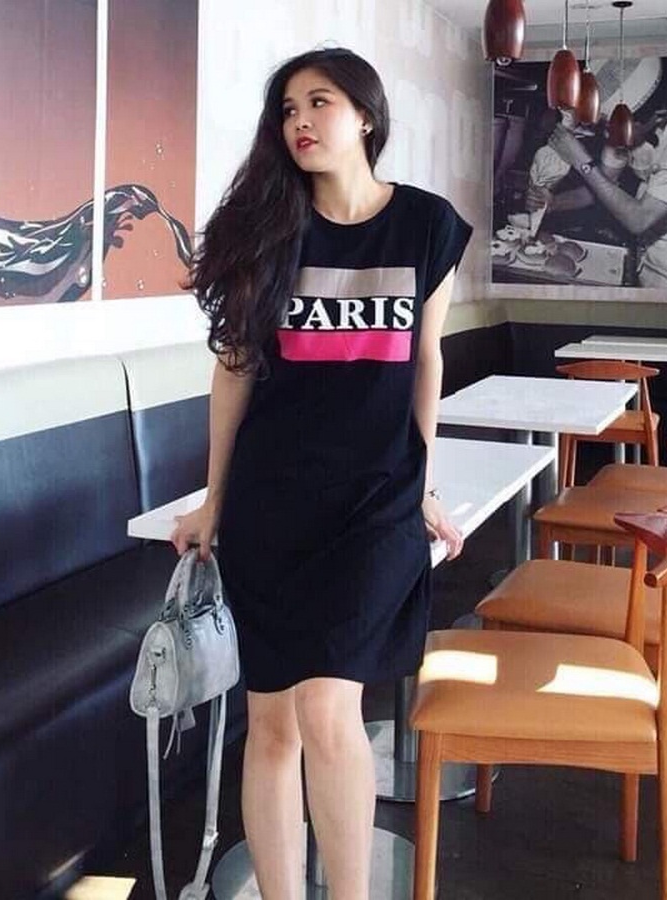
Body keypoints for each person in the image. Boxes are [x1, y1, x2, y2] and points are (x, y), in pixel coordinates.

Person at [170, 48, 471, 900]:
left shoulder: (427, 226)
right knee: (271, 722)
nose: (299, 120)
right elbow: (234, 370)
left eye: (320, 102)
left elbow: (425, 359)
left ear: (365, 115)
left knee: (328, 706)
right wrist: (215, 500)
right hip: (272, 505)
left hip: (375, 503)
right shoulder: (269, 231)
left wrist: (421, 482)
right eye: (288, 108)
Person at [541, 89, 667, 288]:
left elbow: (640, 219)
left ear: (655, 116)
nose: (606, 134)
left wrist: (581, 161)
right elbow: (602, 186)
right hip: (644, 255)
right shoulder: (629, 122)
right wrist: (552, 203)